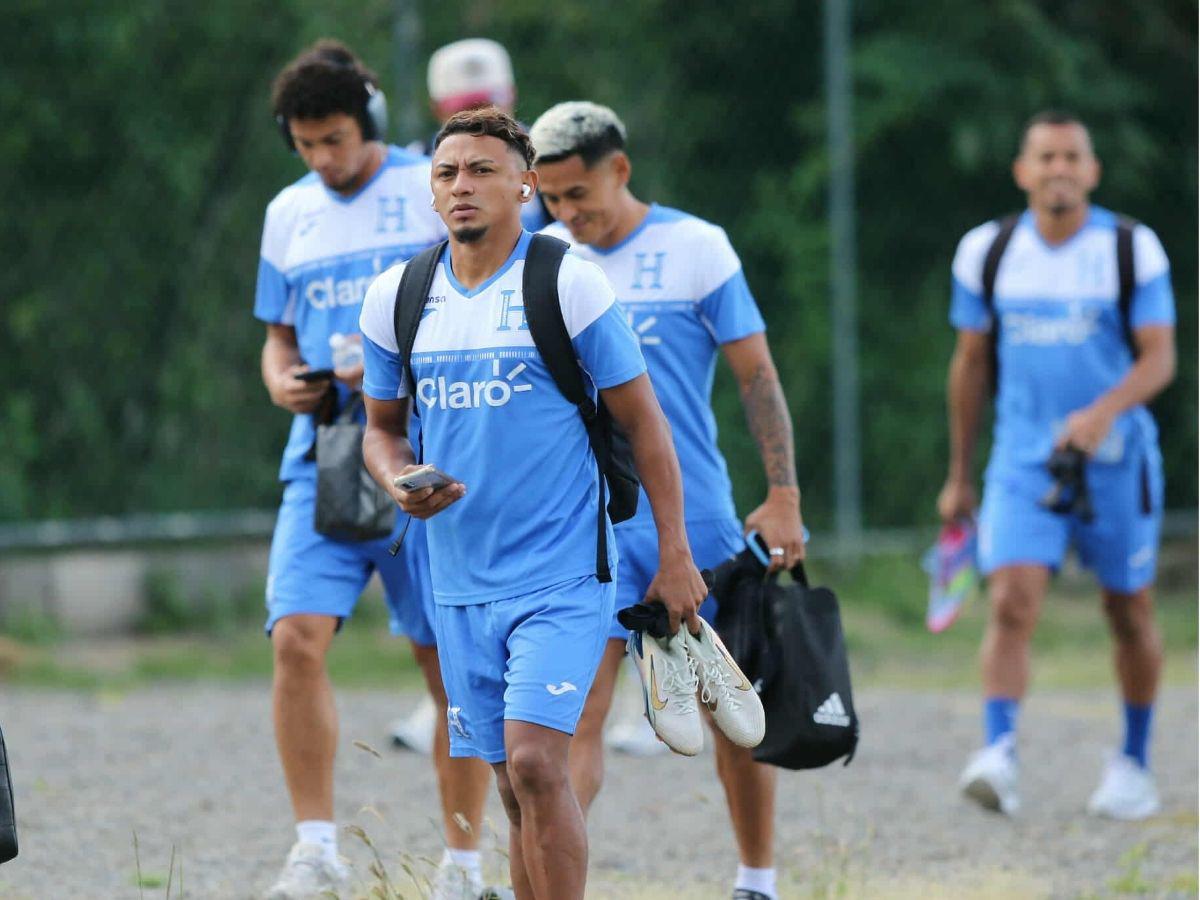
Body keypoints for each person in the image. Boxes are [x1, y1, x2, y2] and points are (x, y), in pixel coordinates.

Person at [358, 106, 710, 900]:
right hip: (456, 581)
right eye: (447, 173)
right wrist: (398, 480)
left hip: (562, 575)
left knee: (536, 764)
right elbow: (380, 432)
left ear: (525, 185)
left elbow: (646, 426)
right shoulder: (398, 297)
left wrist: (677, 552)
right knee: (515, 788)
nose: (462, 187)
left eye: (482, 170)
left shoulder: (567, 282)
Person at [530, 101, 806, 900]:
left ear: (620, 168)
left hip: (700, 518)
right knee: (575, 719)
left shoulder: (695, 248)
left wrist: (783, 494)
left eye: (578, 193)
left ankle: (757, 881)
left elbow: (757, 376)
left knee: (732, 710)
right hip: (585, 527)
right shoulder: (544, 259)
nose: (566, 213)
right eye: (550, 198)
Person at [255, 40, 492, 899]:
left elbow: (488, 296)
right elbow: (277, 334)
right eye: (308, 144)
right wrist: (282, 375)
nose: (326, 160)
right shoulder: (288, 213)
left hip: (425, 456)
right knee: (295, 639)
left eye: (339, 141)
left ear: (374, 124)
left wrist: (395, 364)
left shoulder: (433, 188)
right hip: (321, 457)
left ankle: (463, 862)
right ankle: (315, 848)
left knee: (447, 662)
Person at [939, 110, 1176, 820]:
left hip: (1116, 462)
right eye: (1045, 157)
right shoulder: (988, 251)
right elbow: (971, 364)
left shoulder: (1133, 249)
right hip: (1023, 460)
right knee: (1010, 601)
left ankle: (1133, 763)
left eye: (1072, 156)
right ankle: (998, 755)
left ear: (1092, 170)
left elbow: (1160, 358)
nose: (1059, 169)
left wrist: (1104, 412)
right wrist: (959, 474)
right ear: (1023, 171)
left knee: (1127, 610)